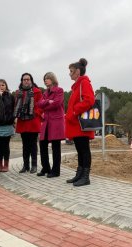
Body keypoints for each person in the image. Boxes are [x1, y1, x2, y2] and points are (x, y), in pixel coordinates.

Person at [65, 58, 95, 187]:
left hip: (81, 124)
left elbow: (89, 100)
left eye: (71, 71)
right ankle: (79, 174)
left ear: (78, 71)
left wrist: (73, 112)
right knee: (80, 150)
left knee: (84, 150)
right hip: (76, 124)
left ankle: (86, 177)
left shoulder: (84, 83)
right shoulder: (77, 86)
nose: (69, 74)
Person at [36, 72, 65, 178]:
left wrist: (45, 104)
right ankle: (46, 168)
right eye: (44, 79)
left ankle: (56, 171)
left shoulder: (59, 90)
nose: (45, 80)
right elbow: (39, 104)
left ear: (52, 79)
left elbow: (57, 103)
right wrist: (48, 101)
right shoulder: (45, 93)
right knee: (42, 144)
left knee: (56, 146)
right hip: (46, 121)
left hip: (56, 122)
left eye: (47, 78)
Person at [14, 73, 43, 174]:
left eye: (28, 79)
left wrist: (36, 113)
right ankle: (25, 165)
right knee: (25, 145)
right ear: (21, 81)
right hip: (22, 121)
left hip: (33, 121)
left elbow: (41, 105)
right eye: (24, 79)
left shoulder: (37, 91)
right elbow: (15, 105)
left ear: (31, 80)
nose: (26, 81)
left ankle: (34, 165)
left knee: (33, 144)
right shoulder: (18, 92)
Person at [0, 79, 15, 172]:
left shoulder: (10, 96)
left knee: (6, 146)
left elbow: (13, 109)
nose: (1, 87)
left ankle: (6, 165)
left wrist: (12, 119)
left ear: (6, 86)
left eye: (3, 85)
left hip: (7, 124)